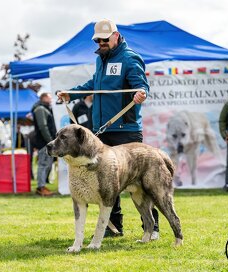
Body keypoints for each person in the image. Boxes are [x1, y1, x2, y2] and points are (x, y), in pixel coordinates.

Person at [57, 19, 160, 239]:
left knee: (143, 183)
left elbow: (141, 85)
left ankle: (152, 228)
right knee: (106, 182)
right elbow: (94, 84)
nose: (101, 42)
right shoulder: (101, 60)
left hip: (126, 130)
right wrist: (71, 93)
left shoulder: (130, 58)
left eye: (105, 39)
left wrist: (140, 93)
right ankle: (114, 227)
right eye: (98, 39)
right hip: (102, 132)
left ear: (116, 35)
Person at [31, 92, 56, 196]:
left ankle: (42, 186)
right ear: (44, 98)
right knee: (43, 165)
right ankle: (41, 188)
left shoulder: (43, 108)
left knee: (47, 165)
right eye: (49, 98)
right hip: (44, 143)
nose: (51, 100)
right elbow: (43, 127)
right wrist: (50, 141)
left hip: (46, 142)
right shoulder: (40, 109)